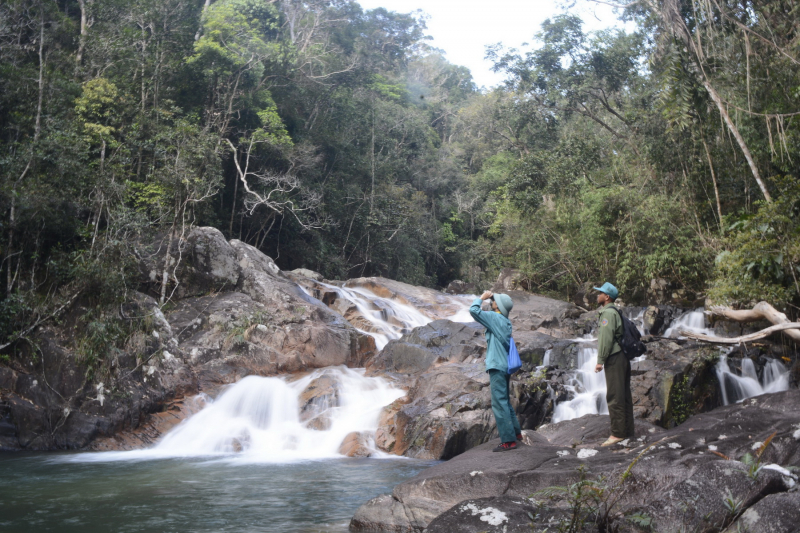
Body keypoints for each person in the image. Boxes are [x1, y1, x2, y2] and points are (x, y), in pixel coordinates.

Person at [470, 290, 522, 452]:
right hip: (504, 365)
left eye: (494, 301)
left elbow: (474, 311)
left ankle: (508, 441)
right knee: (504, 400)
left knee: (499, 403)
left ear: (497, 306)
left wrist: (481, 298)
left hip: (497, 366)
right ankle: (516, 433)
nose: (492, 301)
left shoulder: (494, 318)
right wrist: (491, 299)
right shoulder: (505, 321)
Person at [593, 282, 635, 446]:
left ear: (607, 297)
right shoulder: (615, 311)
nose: (598, 295)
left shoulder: (608, 314)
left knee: (615, 395)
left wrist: (600, 361)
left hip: (614, 357)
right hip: (622, 356)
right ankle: (628, 430)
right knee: (624, 395)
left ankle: (617, 433)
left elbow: (606, 339)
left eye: (600, 293)